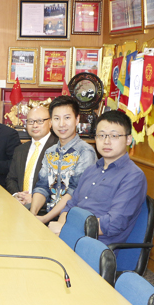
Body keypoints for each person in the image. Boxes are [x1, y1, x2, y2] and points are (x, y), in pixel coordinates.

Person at [47, 110, 147, 246]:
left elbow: (113, 224)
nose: (106, 141)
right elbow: (70, 206)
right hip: (70, 238)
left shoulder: (133, 176)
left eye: (114, 136)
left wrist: (67, 229)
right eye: (101, 135)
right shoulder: (91, 170)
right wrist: (61, 231)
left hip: (97, 247)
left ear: (128, 139)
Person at [30, 95, 97, 224]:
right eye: (56, 118)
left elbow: (75, 192)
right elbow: (42, 187)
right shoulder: (50, 152)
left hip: (72, 219)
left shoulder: (85, 152)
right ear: (51, 122)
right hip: (48, 214)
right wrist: (32, 214)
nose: (62, 124)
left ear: (77, 119)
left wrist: (45, 219)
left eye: (67, 118)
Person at [6, 105, 58, 210]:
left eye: (40, 121)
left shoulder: (58, 148)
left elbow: (61, 186)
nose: (35, 125)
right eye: (30, 121)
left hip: (45, 210)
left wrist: (36, 199)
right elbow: (11, 179)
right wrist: (16, 195)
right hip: (19, 207)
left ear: (50, 123)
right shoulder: (20, 150)